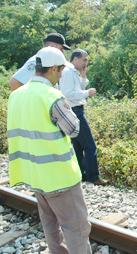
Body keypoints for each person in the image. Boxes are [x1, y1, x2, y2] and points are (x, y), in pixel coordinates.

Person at [7, 47, 91, 253]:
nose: (62, 74)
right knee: (76, 228)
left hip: (35, 175)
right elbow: (73, 129)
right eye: (61, 70)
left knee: (50, 225)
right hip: (59, 177)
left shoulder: (16, 95)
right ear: (53, 69)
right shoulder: (52, 96)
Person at [58, 49, 107, 185]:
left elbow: (78, 87)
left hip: (74, 110)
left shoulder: (72, 71)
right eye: (84, 60)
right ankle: (94, 177)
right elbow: (68, 93)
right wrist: (87, 93)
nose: (86, 62)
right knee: (90, 145)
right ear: (76, 59)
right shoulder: (68, 71)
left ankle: (81, 175)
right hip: (74, 111)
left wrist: (83, 75)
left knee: (78, 146)